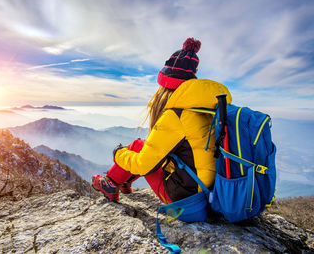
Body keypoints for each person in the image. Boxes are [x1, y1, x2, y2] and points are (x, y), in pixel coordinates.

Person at [92, 38, 232, 204]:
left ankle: (110, 184)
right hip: (210, 190)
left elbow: (144, 165)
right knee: (143, 147)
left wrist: (118, 153)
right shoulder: (206, 108)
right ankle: (121, 180)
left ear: (165, 86)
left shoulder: (176, 116)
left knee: (138, 148)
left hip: (184, 197)